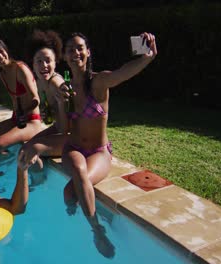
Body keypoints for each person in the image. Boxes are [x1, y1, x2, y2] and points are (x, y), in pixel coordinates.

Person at [60, 32, 157, 258]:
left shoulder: (99, 82)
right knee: (77, 170)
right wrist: (59, 100)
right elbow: (63, 127)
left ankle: (95, 228)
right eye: (70, 49)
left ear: (88, 52)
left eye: (80, 48)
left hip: (98, 152)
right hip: (73, 149)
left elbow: (122, 73)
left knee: (69, 191)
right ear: (64, 56)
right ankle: (97, 228)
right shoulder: (65, 87)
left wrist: (146, 58)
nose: (76, 53)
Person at [0, 38, 44, 154]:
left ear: (6, 50)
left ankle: (9, 163)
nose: (0, 56)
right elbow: (15, 100)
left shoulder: (20, 68)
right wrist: (17, 115)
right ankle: (8, 160)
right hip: (17, 119)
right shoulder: (3, 74)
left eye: (1, 51)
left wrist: (23, 112)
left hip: (32, 121)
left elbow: (36, 99)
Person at [17, 30, 70, 176]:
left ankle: (39, 180)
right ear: (32, 65)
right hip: (58, 128)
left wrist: (61, 101)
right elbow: (54, 118)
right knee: (24, 147)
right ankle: (38, 178)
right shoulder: (40, 83)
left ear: (55, 62)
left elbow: (66, 128)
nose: (44, 65)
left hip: (74, 136)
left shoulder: (55, 82)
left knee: (28, 150)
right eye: (39, 61)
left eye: (48, 60)